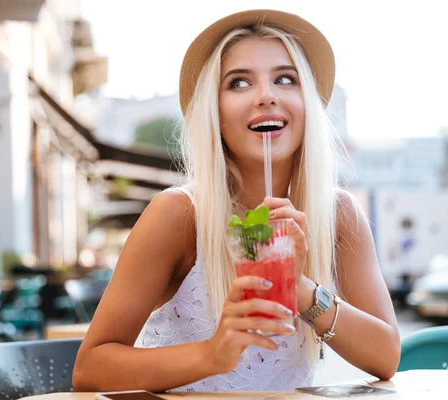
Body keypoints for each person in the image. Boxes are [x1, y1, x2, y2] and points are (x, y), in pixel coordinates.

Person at [73, 9, 400, 393]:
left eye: (285, 79)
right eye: (239, 83)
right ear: (216, 113)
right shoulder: (179, 214)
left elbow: (385, 357)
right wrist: (213, 354)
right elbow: (90, 369)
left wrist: (301, 288)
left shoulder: (338, 214)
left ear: (307, 103)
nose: (266, 96)